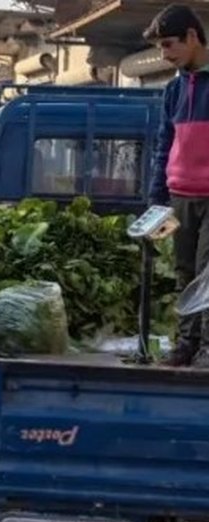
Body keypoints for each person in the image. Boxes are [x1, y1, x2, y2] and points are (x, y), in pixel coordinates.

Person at [145, 5, 209, 367]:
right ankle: (186, 344)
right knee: (185, 273)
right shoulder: (173, 90)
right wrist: (156, 199)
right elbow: (162, 146)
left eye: (169, 45)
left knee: (208, 273)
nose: (164, 54)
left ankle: (208, 348)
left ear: (192, 37)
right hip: (179, 196)